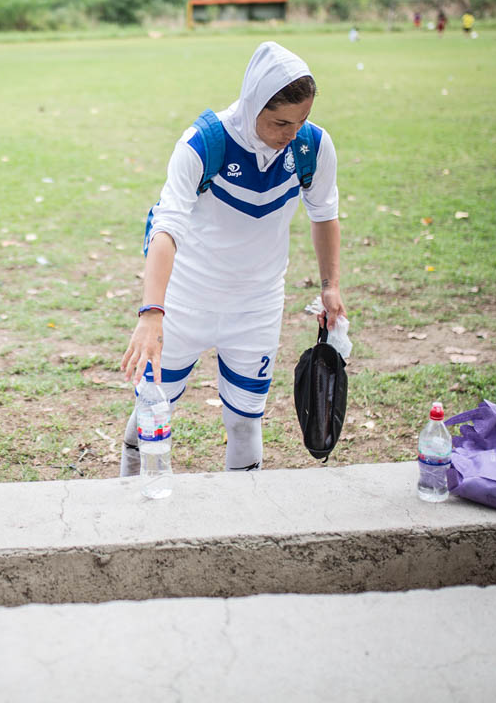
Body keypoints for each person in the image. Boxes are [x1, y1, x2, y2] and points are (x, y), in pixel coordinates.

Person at [120, 41, 344, 475]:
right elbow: (165, 227)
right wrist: (152, 313)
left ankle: (242, 526)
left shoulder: (311, 147)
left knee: (245, 418)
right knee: (153, 407)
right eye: (280, 121)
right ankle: (132, 497)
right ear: (252, 102)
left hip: (256, 305)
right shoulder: (205, 143)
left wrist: (330, 287)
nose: (291, 132)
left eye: (301, 120)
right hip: (186, 299)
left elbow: (325, 213)